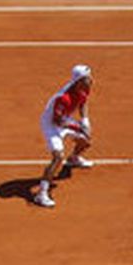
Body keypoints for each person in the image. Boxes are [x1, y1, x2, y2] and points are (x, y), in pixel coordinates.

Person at [35, 64, 94, 208]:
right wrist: (77, 126)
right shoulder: (64, 98)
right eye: (87, 78)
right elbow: (57, 121)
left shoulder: (84, 88)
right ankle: (41, 194)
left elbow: (83, 103)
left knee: (86, 141)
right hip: (51, 124)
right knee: (58, 157)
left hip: (64, 119)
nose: (91, 79)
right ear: (79, 80)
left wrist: (85, 120)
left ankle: (73, 158)